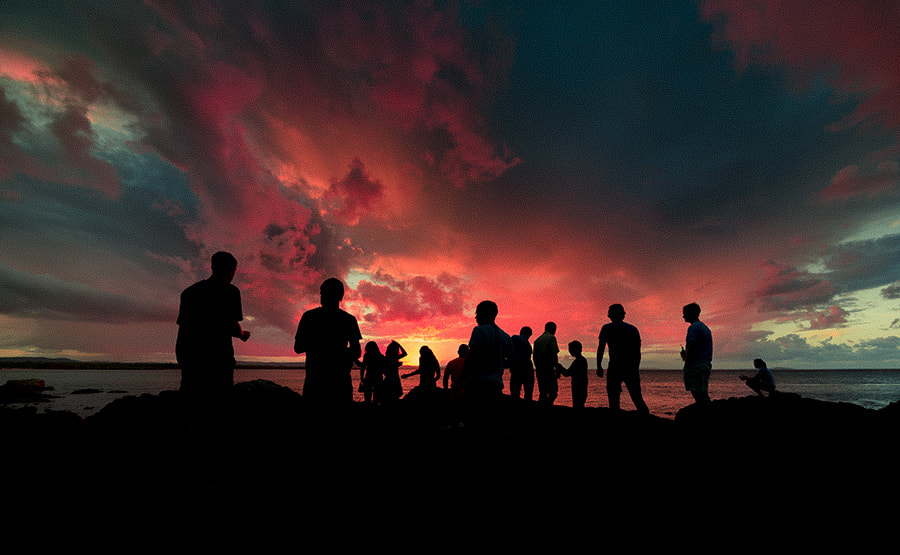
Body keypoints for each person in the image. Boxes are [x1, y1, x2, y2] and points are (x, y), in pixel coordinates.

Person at [175, 251, 250, 400]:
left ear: (212, 267)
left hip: (190, 358)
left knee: (191, 406)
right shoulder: (231, 292)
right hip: (218, 360)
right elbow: (232, 326)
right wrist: (242, 335)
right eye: (234, 271)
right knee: (217, 407)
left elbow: (183, 328)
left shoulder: (189, 293)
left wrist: (182, 359)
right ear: (231, 270)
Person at [294, 278, 362, 406]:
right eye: (322, 292)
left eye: (324, 292)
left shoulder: (309, 316)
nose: (322, 295)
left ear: (338, 295)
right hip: (323, 381)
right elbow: (356, 352)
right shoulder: (348, 319)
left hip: (328, 382)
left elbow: (298, 347)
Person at [597, 304, 649, 416]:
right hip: (630, 367)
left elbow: (601, 348)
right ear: (623, 315)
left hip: (614, 367)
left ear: (610, 315)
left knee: (613, 398)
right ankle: (647, 419)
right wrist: (635, 368)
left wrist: (599, 366)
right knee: (637, 397)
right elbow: (637, 352)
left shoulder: (606, 328)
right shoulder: (633, 329)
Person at [461, 300, 512, 407]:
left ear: (485, 314)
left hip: (478, 383)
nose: (476, 317)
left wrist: (462, 379)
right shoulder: (505, 336)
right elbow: (510, 362)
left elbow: (471, 357)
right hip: (496, 384)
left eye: (477, 314)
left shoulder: (479, 331)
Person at [681, 302, 713, 406]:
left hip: (696, 366)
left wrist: (687, 362)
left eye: (685, 313)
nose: (683, 316)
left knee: (699, 396)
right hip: (705, 364)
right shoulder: (705, 328)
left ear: (691, 313)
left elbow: (692, 345)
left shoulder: (693, 328)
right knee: (703, 394)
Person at [533, 322, 560, 407]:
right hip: (549, 369)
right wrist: (557, 370)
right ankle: (548, 406)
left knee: (543, 392)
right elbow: (554, 355)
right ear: (553, 329)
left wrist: (537, 368)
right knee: (553, 391)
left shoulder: (537, 340)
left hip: (539, 370)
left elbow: (534, 357)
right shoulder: (551, 338)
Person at [559, 340, 588, 409]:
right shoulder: (582, 360)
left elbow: (567, 373)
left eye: (570, 349)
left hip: (578, 387)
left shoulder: (578, 361)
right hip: (582, 387)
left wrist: (559, 367)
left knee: (577, 405)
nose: (569, 351)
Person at [509, 326, 535, 401]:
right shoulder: (528, 345)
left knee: (515, 391)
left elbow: (509, 350)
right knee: (528, 391)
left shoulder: (515, 338)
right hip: (527, 367)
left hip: (516, 367)